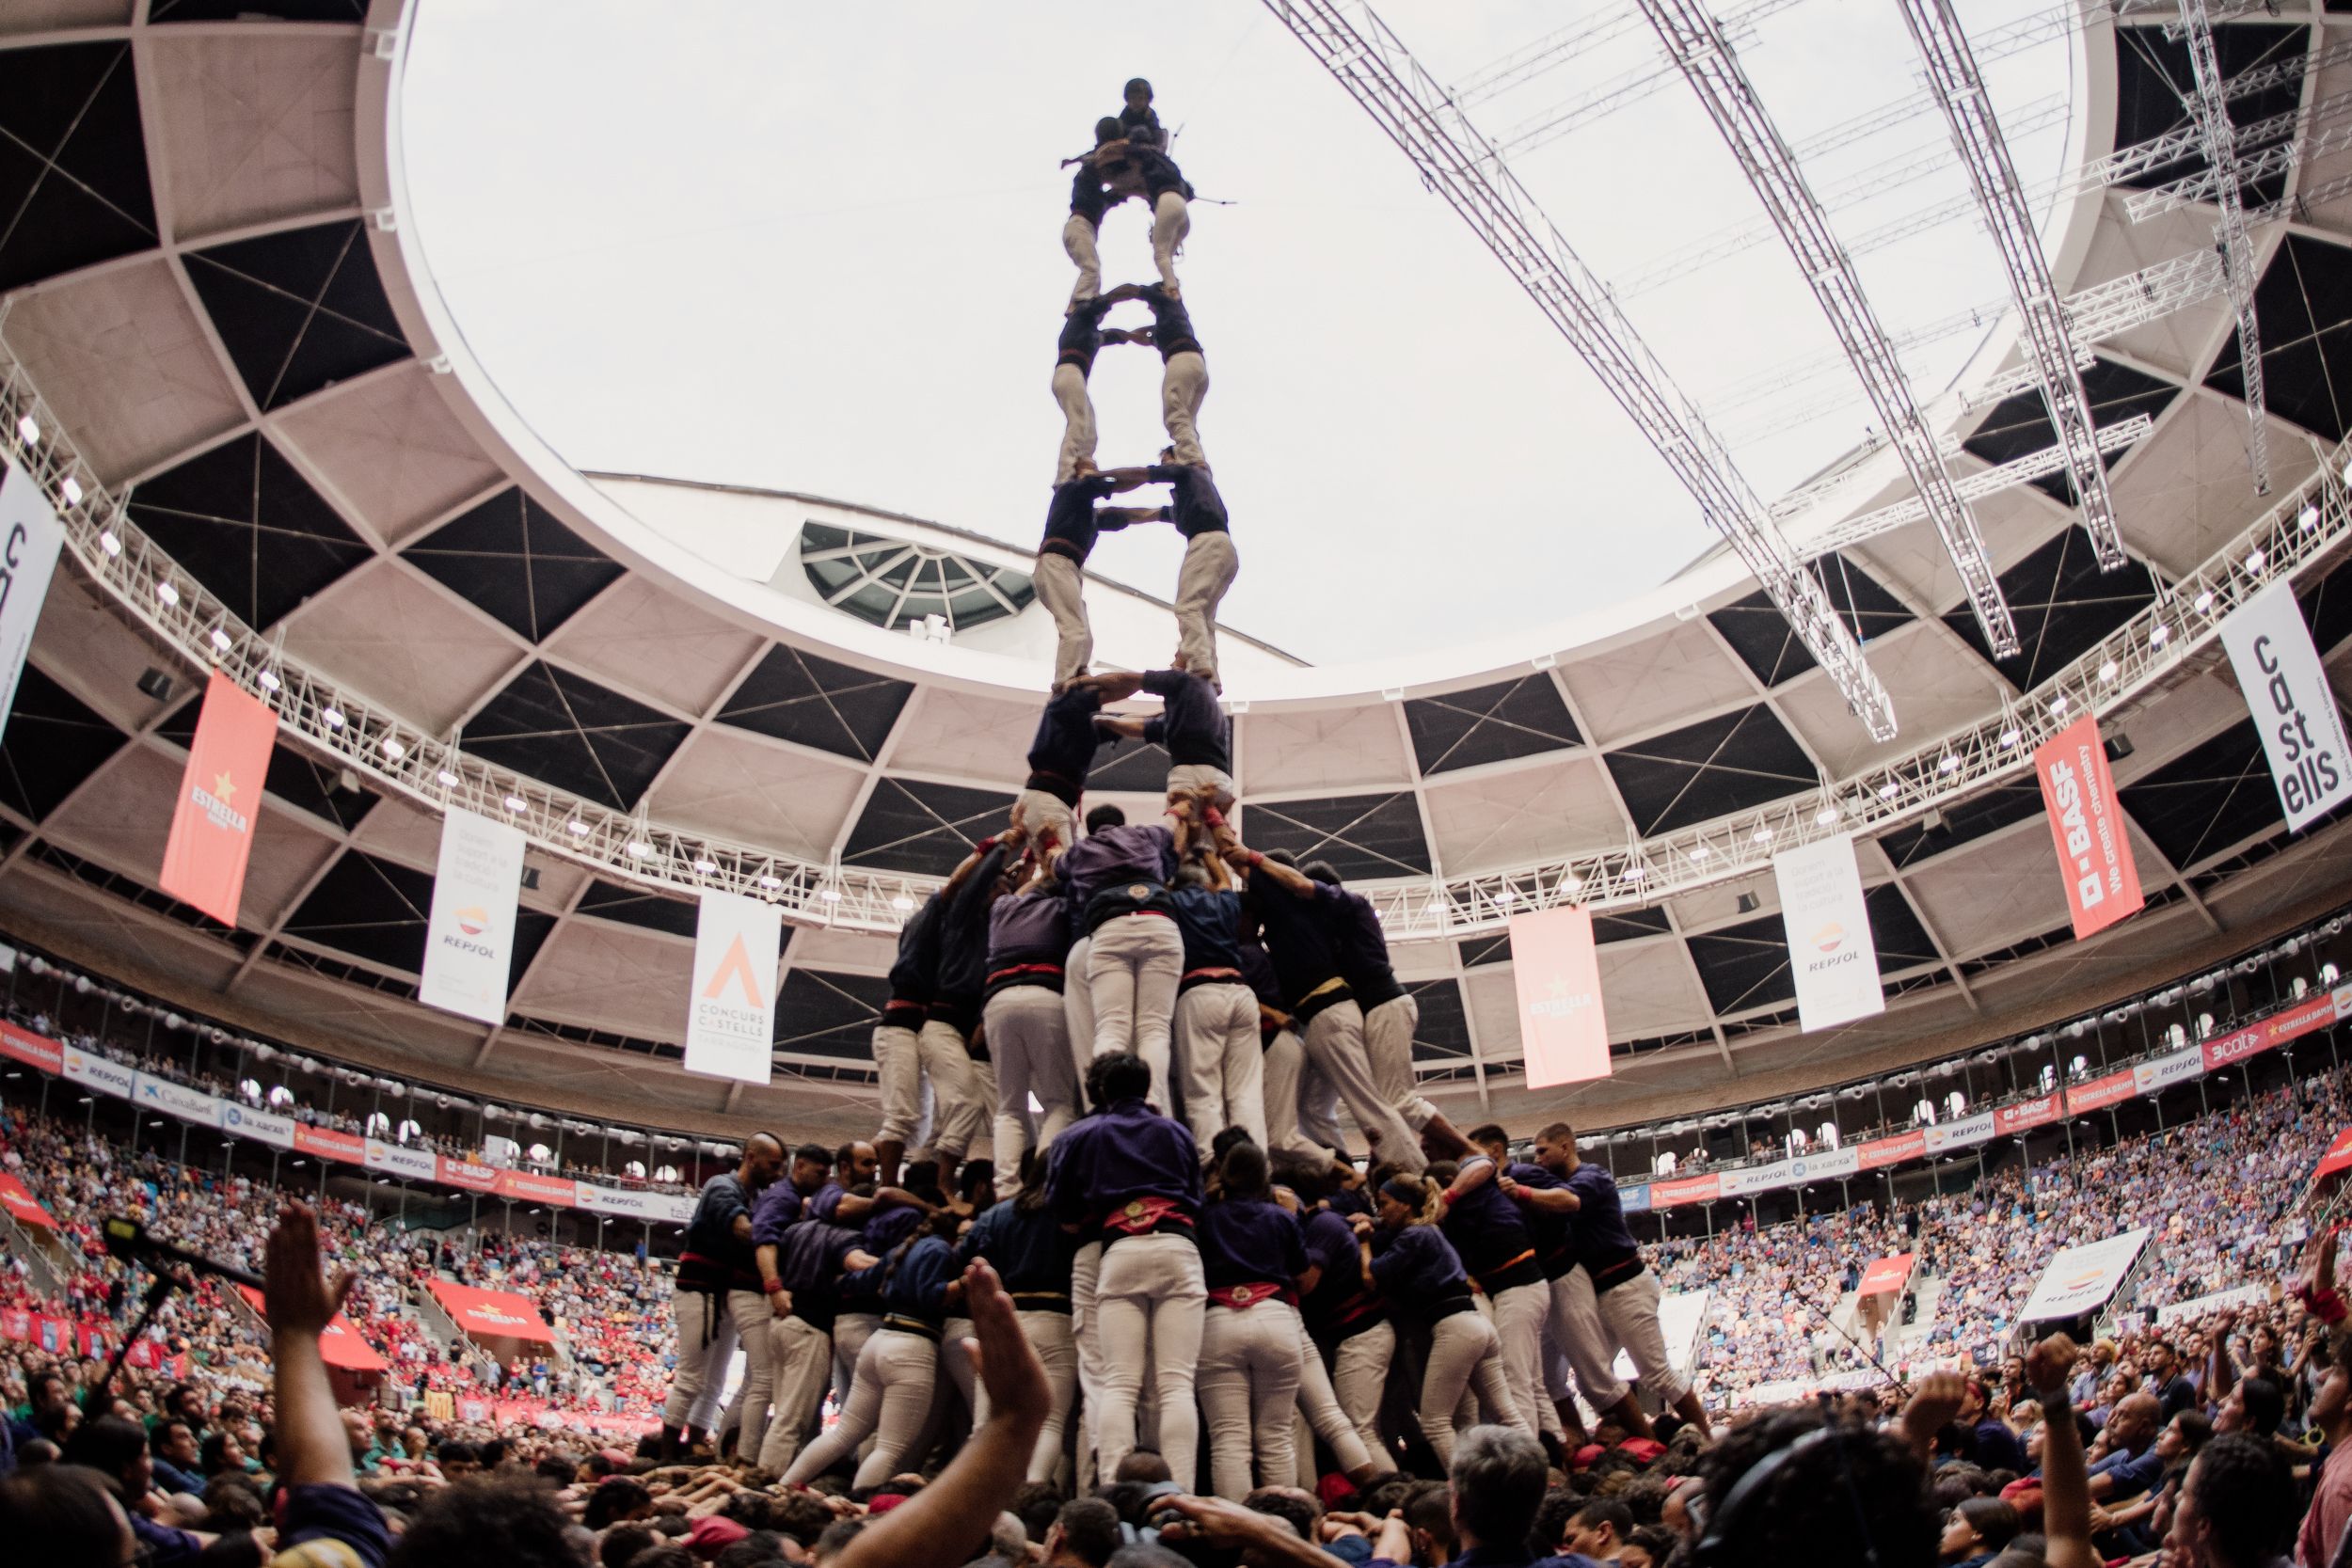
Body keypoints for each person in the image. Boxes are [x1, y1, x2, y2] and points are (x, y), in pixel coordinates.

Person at [1209, 816, 1424, 1173]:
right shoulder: (1301, 914)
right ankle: (1342, 1176)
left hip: (1327, 1015)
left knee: (1368, 1104)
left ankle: (1414, 1175)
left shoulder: (1290, 905)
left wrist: (1214, 819)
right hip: (1325, 1019)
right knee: (1312, 1109)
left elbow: (1238, 859)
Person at [1046, 1051, 1207, 1491]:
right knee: (1176, 1383)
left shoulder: (1078, 1135)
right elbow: (1197, 1196)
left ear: (1098, 1091)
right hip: (1178, 1243)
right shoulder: (1176, 1132)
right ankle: (1182, 1496)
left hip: (1118, 1246)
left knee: (1119, 1382)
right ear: (1146, 1084)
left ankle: (1117, 1492)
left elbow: (1059, 1207)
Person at [1516, 1121, 1710, 1438]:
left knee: (1657, 1373)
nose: (1537, 1160)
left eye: (1542, 1151)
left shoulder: (1591, 1177)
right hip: (1603, 1294)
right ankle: (1629, 1439)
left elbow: (1569, 1202)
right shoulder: (1561, 1185)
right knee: (1592, 1378)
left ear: (1565, 1146)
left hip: (1624, 1286)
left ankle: (1706, 1439)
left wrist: (1521, 1190)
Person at [783, 1210, 961, 1488]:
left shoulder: (904, 1249)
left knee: (843, 1435)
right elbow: (931, 1294)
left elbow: (858, 1282)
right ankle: (860, 1512)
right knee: (889, 1449)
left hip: (879, 1341)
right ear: (952, 1235)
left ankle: (782, 1488)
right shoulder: (940, 1249)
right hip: (912, 1347)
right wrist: (964, 1284)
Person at [1354, 1175, 1515, 1466]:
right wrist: (1372, 1223)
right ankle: (1542, 1476)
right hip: (1476, 1322)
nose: (1380, 1211)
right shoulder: (1429, 1230)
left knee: (1435, 1422)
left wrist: (1364, 1242)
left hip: (1454, 1327)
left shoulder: (1414, 1236)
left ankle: (1466, 1494)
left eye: (1384, 1204)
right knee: (1507, 1414)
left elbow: (1370, 1277)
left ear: (1404, 1206)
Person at [957, 1150, 1083, 1482]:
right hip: (1058, 1321)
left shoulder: (999, 1214)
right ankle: (1031, 1496)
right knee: (1051, 1422)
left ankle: (974, 1496)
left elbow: (962, 1256)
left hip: (1007, 1318)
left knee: (985, 1421)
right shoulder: (1072, 1214)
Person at [1195, 1139, 1310, 1499]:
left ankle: (1236, 1539)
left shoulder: (1202, 1218)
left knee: (1229, 1438)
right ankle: (1284, 1533)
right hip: (1275, 1318)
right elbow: (1303, 1278)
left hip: (1217, 1322)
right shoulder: (1280, 1217)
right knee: (1276, 1436)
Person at [661, 1132, 786, 1460]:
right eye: (773, 1165)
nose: (778, 1173)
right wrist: (786, 1237)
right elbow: (743, 1229)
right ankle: (667, 1453)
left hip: (720, 1293)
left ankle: (693, 1446)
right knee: (691, 1378)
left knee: (714, 1381)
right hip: (700, 1289)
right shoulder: (722, 1186)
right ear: (751, 1157)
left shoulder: (754, 1194)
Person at [1057, 802, 1183, 1103]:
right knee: (1154, 1029)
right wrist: (1181, 807)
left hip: (1109, 930)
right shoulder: (1146, 835)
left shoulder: (1082, 850)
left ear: (1089, 827)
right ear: (1122, 822)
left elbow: (1055, 866)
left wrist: (1051, 841)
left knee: (1112, 1027)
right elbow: (1172, 824)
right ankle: (1150, 1105)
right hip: (1160, 924)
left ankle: (1107, 1104)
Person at [1428, 1155, 1551, 1448]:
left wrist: (1447, 1196)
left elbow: (1484, 1163)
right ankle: (1553, 1452)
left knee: (1515, 1380)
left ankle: (1526, 1468)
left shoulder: (1476, 1187)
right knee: (1531, 1381)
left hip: (1520, 1285)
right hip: (1516, 1288)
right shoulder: (1453, 1218)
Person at [754, 1213, 881, 1476]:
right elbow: (857, 1262)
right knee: (791, 1420)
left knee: (787, 1416)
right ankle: (766, 1491)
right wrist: (900, 1263)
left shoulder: (796, 1229)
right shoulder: (843, 1236)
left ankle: (781, 1481)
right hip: (809, 1328)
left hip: (782, 1322)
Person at [985, 852, 1081, 1195]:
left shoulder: (1002, 908)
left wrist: (1039, 864)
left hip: (998, 1003)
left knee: (1009, 1106)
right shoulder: (1063, 909)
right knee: (1059, 1103)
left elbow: (1029, 888)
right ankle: (1040, 1185)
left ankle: (1006, 1189)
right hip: (1046, 998)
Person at [1161, 836, 1264, 1155]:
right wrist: (1206, 851)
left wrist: (1177, 853)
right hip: (1240, 992)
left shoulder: (1172, 903)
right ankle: (1255, 1164)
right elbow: (1223, 880)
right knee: (1245, 1092)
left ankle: (1212, 1164)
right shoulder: (1223, 900)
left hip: (1199, 992)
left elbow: (1159, 884)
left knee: (1203, 1093)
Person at [1101, 455, 1233, 687]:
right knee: (1202, 616)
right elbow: (1148, 514)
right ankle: (1211, 675)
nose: (1164, 465)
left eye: (1166, 460)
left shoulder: (1189, 474)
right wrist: (1110, 514)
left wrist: (1099, 477)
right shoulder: (1192, 500)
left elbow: (1140, 474)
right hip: (1224, 549)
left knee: (1188, 607)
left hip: (1207, 543)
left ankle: (1199, 664)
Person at [740, 1142, 834, 1465]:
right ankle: (759, 1473)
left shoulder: (796, 1208)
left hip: (783, 1313)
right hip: (784, 1306)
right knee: (783, 1412)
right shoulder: (783, 1198)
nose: (825, 1180)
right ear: (801, 1167)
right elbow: (762, 1240)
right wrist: (774, 1287)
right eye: (820, 1173)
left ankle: (748, 1464)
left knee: (779, 1406)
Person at [1034, 468, 1154, 688]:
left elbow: (1127, 514)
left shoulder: (1086, 514)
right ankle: (1063, 684)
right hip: (1057, 563)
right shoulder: (1073, 489)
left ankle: (1079, 674)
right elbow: (1118, 484)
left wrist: (1163, 514)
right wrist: (1153, 475)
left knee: (1084, 635)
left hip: (1066, 568)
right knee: (1076, 631)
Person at [1016, 672, 1139, 860]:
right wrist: (1087, 681)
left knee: (1069, 867)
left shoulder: (1084, 723)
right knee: (1065, 870)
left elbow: (1131, 720)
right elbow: (1128, 686)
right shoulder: (1067, 702)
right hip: (1048, 800)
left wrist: (1167, 714)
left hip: (1055, 801)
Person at [1092, 665, 1232, 806]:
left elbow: (1127, 679)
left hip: (1190, 773)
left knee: (1181, 823)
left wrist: (1084, 682)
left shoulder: (1183, 680)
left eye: (1177, 656)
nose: (1172, 664)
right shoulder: (1204, 713)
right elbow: (1144, 726)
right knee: (1214, 825)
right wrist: (1105, 721)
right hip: (1220, 779)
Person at [1052, 299, 1146, 485]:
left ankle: (1083, 466)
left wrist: (1148, 334)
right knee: (1078, 424)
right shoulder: (1080, 320)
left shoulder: (1094, 334)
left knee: (1090, 430)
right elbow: (1108, 299)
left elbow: (1121, 335)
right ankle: (1065, 475)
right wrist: (1136, 293)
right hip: (1069, 371)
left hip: (1075, 376)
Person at [1134, 284, 1206, 466]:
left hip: (1181, 361)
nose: (1148, 307)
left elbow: (1142, 293)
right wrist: (1131, 335)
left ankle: (1191, 459)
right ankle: (1186, 455)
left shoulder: (1168, 304)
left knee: (1174, 415)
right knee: (1186, 421)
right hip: (1197, 365)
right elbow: (1143, 336)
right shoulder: (1171, 321)